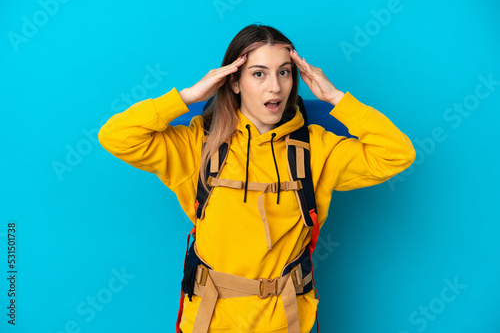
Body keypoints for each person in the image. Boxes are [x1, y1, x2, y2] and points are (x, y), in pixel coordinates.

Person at [98, 24, 415, 333]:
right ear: (234, 82)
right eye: (259, 73)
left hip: (285, 319)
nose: (274, 87)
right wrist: (187, 97)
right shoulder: (198, 146)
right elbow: (116, 137)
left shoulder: (317, 149)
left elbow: (397, 154)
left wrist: (336, 98)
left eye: (284, 72)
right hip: (211, 320)